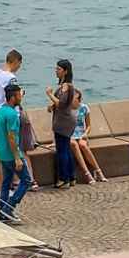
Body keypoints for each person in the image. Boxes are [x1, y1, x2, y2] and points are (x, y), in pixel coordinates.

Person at [0, 82, 32, 226]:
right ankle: (9, 208)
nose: (21, 97)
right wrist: (17, 158)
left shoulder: (0, 111)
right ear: (13, 97)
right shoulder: (11, 114)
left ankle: (2, 212)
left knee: (6, 182)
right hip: (12, 154)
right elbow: (11, 137)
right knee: (26, 180)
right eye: (19, 95)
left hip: (2, 154)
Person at [44, 59, 78, 188]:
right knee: (66, 149)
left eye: (58, 69)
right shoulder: (66, 86)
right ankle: (71, 176)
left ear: (65, 71)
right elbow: (62, 103)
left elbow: (62, 104)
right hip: (66, 120)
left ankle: (64, 179)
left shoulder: (66, 86)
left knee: (62, 150)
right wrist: (52, 105)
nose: (56, 71)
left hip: (64, 121)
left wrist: (50, 94)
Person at [69, 88, 106, 183]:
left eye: (75, 98)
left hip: (81, 134)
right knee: (74, 145)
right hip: (70, 135)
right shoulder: (66, 109)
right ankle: (87, 173)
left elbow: (89, 125)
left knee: (83, 145)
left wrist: (85, 134)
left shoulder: (84, 108)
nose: (73, 100)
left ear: (79, 99)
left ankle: (98, 171)